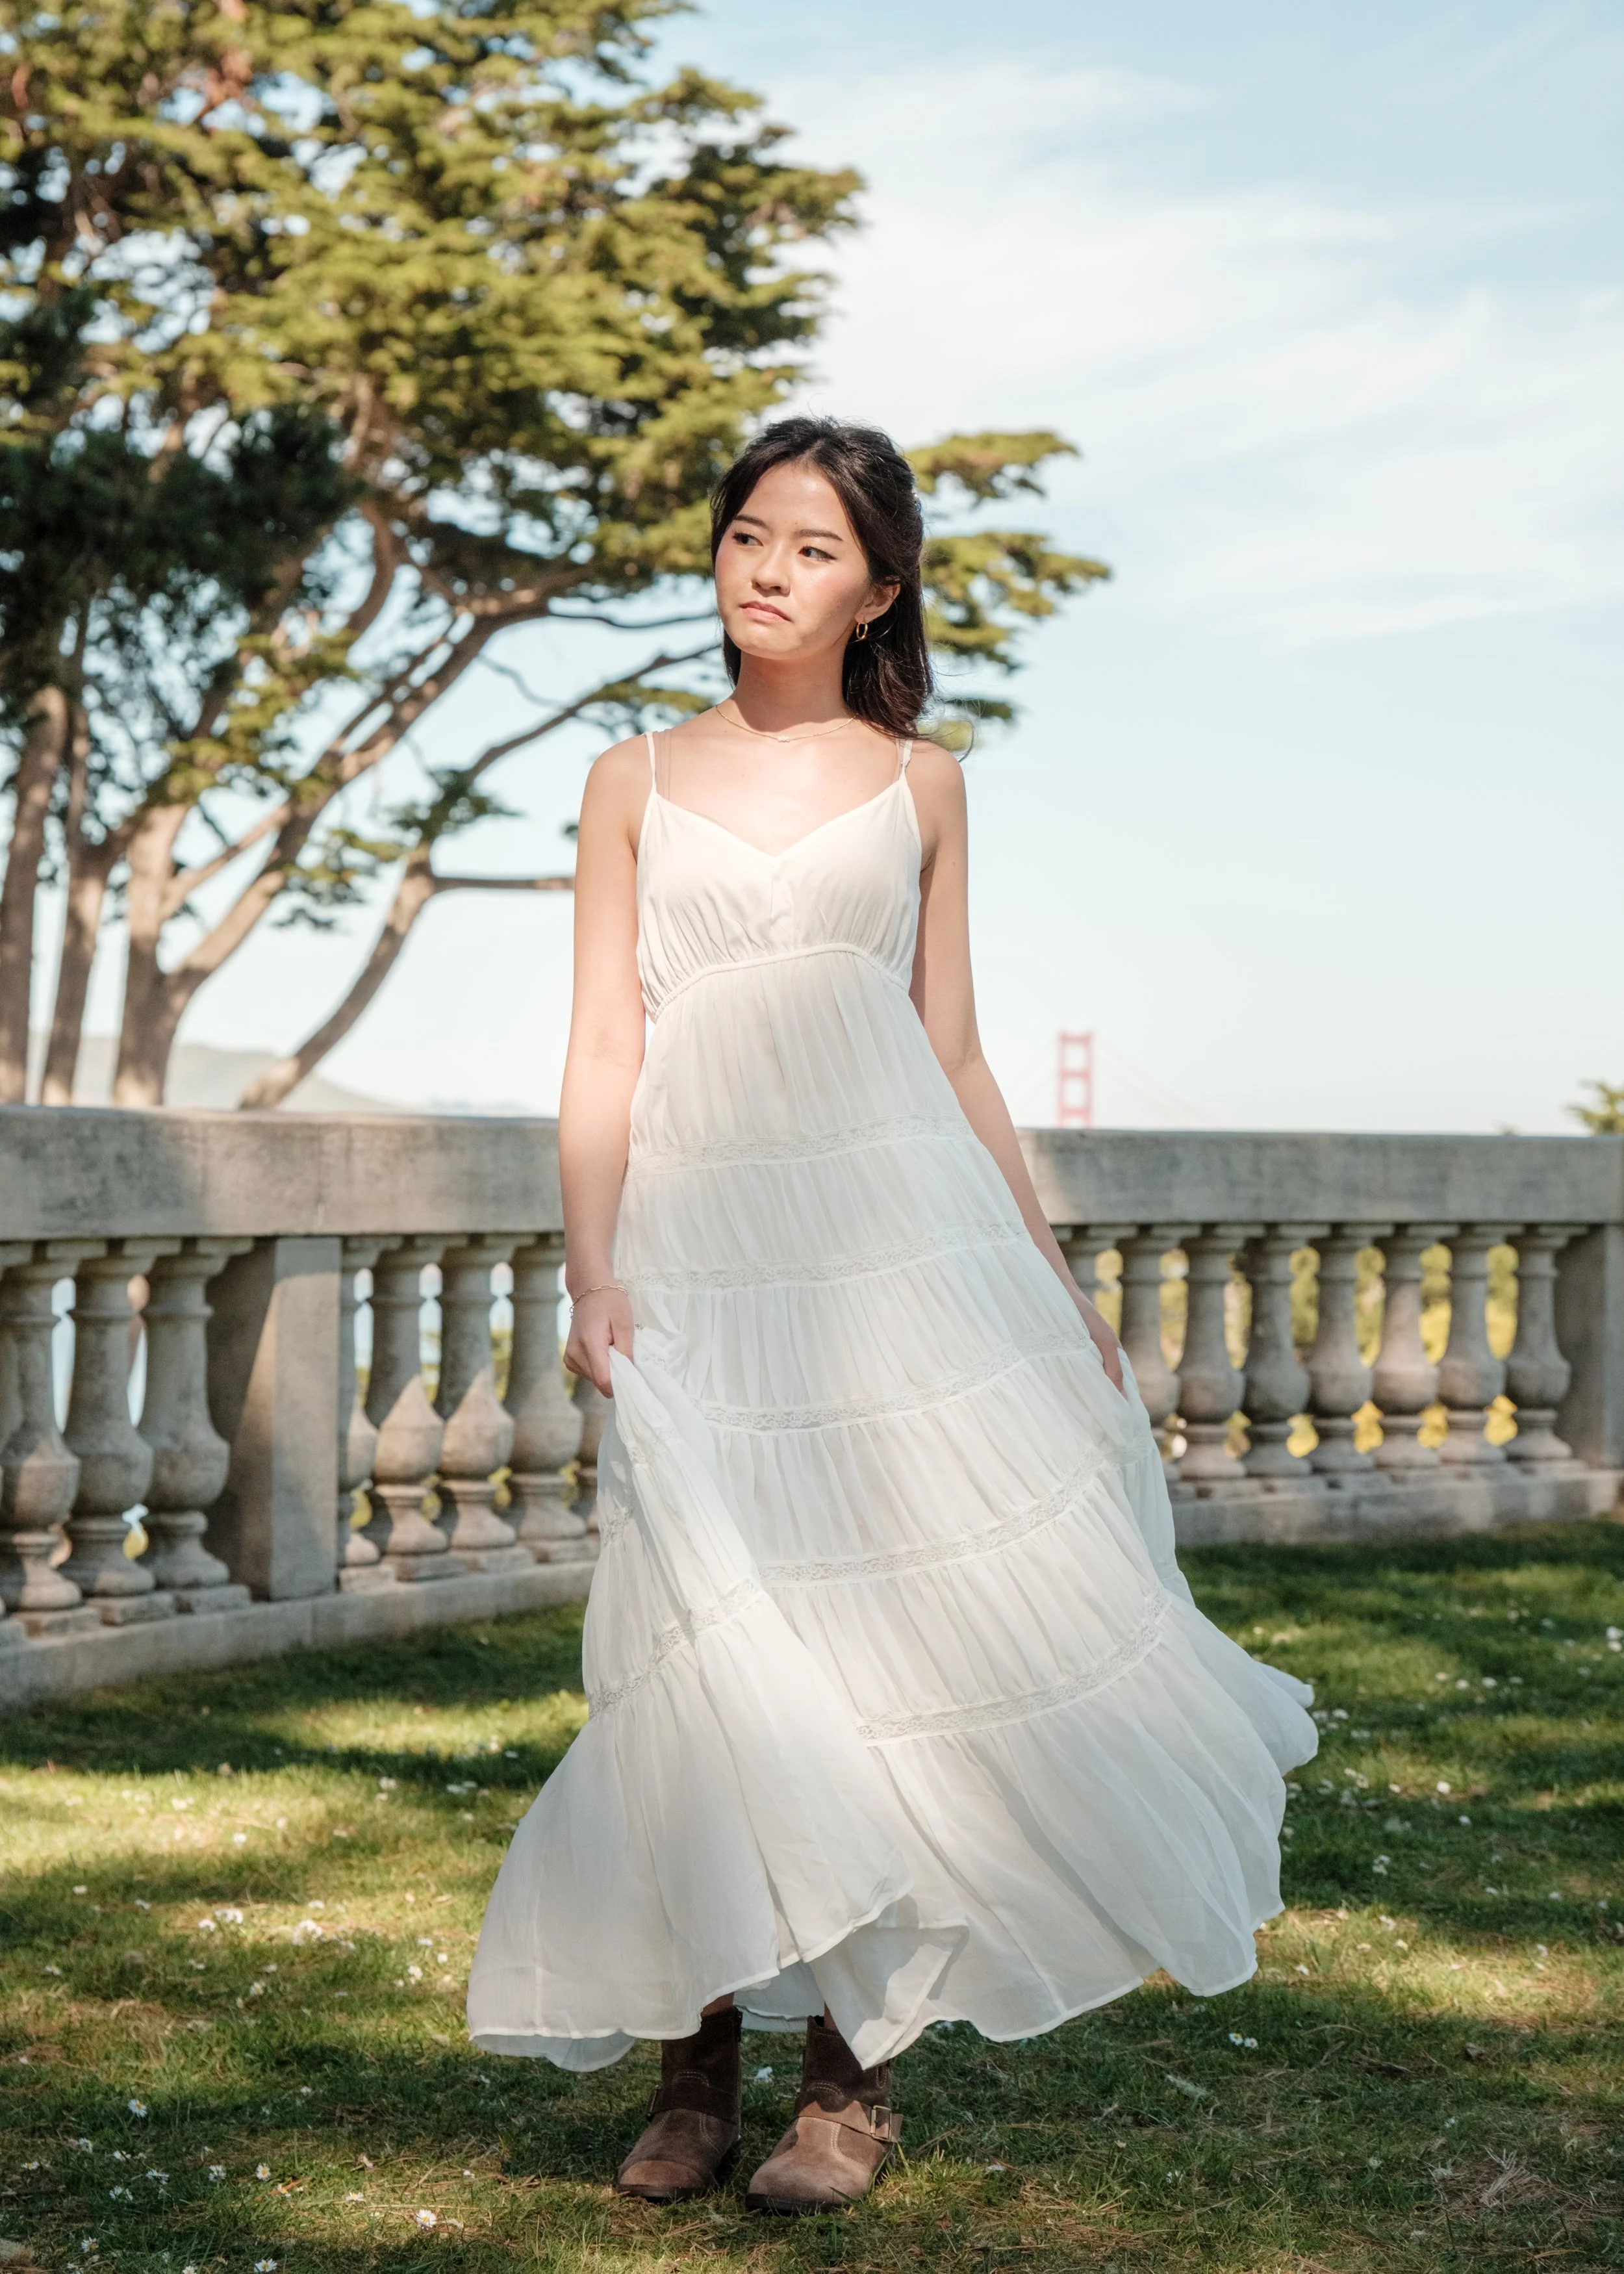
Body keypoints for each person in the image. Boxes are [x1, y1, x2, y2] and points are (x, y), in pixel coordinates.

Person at [466, 416, 1317, 2214]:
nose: (766, 569)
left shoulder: (923, 785)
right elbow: (604, 1042)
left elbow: (949, 1048)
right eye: (746, 535)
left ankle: (847, 2083)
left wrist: (1047, 1270)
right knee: (700, 1642)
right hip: (700, 1252)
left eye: (812, 548)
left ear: (880, 588)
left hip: (891, 1256)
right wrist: (592, 1263)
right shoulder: (629, 773)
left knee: (884, 1651)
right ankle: (693, 2061)